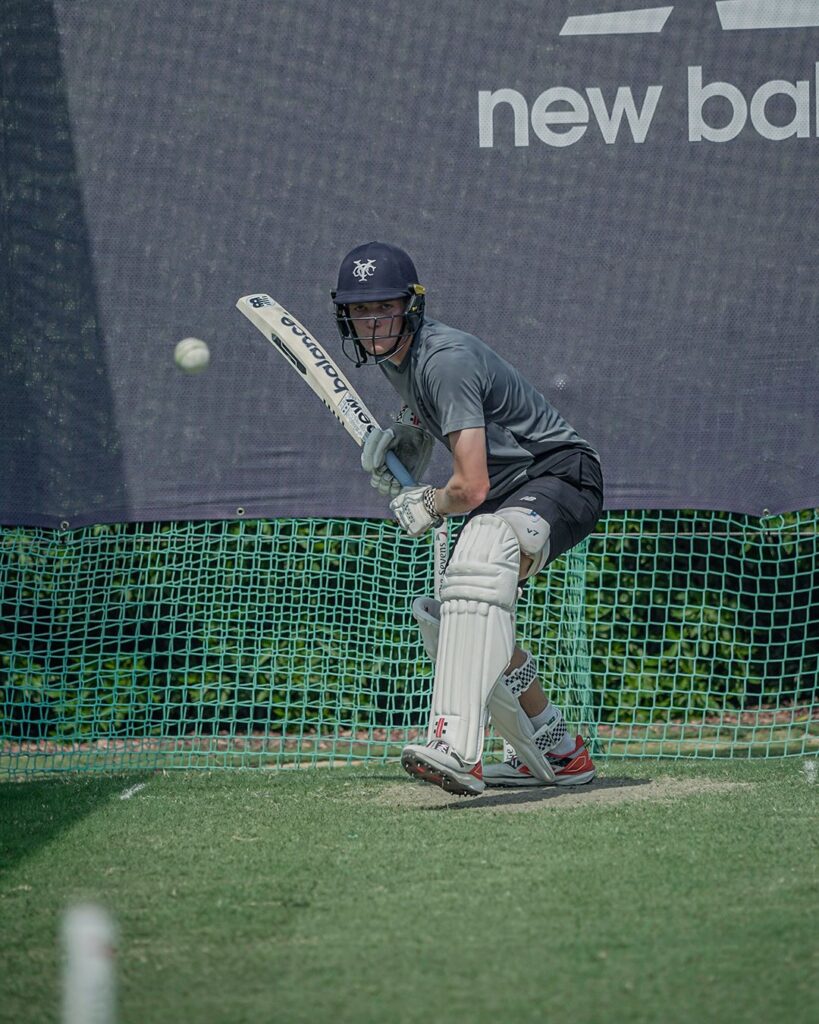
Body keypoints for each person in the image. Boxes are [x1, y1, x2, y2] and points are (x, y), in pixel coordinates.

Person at [331, 241, 603, 796]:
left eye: (383, 307)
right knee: (459, 613)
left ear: (411, 306)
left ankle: (455, 747)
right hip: (507, 492)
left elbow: (471, 484)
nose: (372, 322)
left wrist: (428, 502)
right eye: (360, 311)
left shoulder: (444, 358)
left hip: (556, 474)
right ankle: (555, 748)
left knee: (480, 558)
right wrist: (403, 457)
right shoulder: (397, 361)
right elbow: (435, 435)